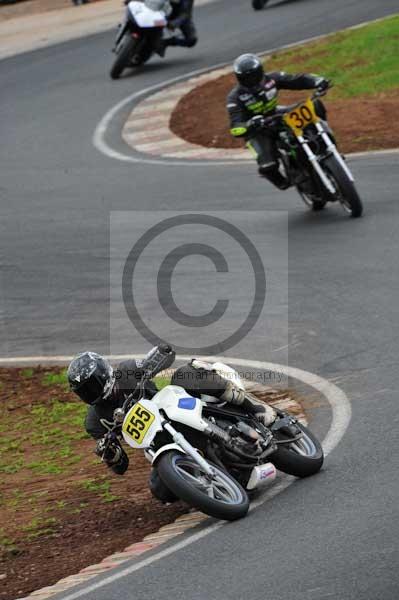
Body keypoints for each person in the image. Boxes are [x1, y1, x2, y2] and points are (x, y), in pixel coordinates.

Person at [67, 347, 275, 502]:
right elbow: (121, 467)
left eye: (93, 385)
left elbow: (167, 356)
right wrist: (111, 455)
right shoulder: (94, 422)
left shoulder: (127, 370)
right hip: (157, 444)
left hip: (173, 408)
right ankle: (208, 484)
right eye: (85, 391)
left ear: (104, 373)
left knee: (186, 373)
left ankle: (254, 406)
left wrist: (157, 358)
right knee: (160, 490)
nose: (91, 393)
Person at [226, 53, 330, 190]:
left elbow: (296, 79)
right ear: (240, 78)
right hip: (257, 130)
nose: (252, 80)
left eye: (254, 75)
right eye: (247, 77)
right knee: (268, 164)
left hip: (276, 114)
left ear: (261, 71)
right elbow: (235, 127)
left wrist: (317, 81)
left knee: (315, 105)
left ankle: (326, 145)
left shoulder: (272, 79)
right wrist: (251, 124)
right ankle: (282, 180)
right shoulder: (234, 97)